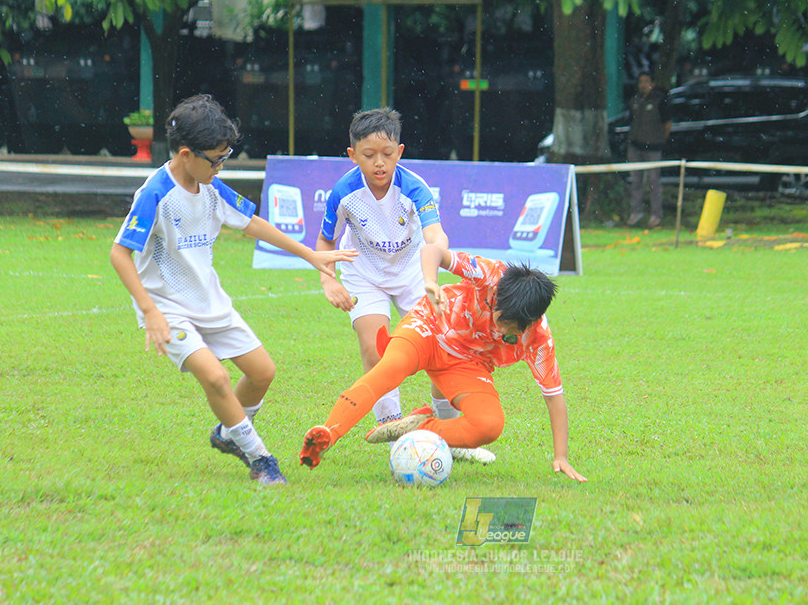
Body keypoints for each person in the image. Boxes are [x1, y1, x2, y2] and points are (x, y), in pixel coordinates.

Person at [109, 94, 357, 485]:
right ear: (187, 154)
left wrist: (310, 255)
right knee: (216, 379)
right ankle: (259, 456)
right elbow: (119, 253)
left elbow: (252, 223)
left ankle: (228, 434)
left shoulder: (211, 187)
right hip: (166, 307)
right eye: (216, 159)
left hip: (208, 300)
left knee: (262, 372)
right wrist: (150, 311)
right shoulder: (156, 193)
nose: (221, 166)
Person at [298, 242, 587, 483]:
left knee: (489, 426)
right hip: (429, 326)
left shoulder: (538, 339)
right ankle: (329, 432)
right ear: (497, 296)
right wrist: (430, 283)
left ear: (530, 322)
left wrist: (560, 456)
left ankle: (419, 427)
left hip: (466, 365)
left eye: (512, 328)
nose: (501, 330)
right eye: (501, 319)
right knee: (388, 370)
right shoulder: (490, 275)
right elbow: (433, 250)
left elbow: (554, 397)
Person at [315, 107, 495, 464]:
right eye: (368, 156)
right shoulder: (343, 193)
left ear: (400, 151)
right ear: (352, 155)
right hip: (364, 275)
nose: (379, 163)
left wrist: (434, 270)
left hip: (414, 274)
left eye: (387, 154)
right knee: (374, 346)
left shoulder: (415, 188)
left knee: (441, 350)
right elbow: (324, 243)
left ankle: (452, 435)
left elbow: (435, 234)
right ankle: (391, 425)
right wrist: (327, 279)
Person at [626, 71, 672, 228]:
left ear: (652, 83)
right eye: (640, 82)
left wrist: (660, 139)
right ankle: (636, 212)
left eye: (646, 81)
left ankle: (656, 214)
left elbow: (667, 124)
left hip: (653, 147)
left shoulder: (660, 101)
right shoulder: (635, 101)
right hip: (635, 146)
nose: (643, 85)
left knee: (654, 181)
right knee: (636, 181)